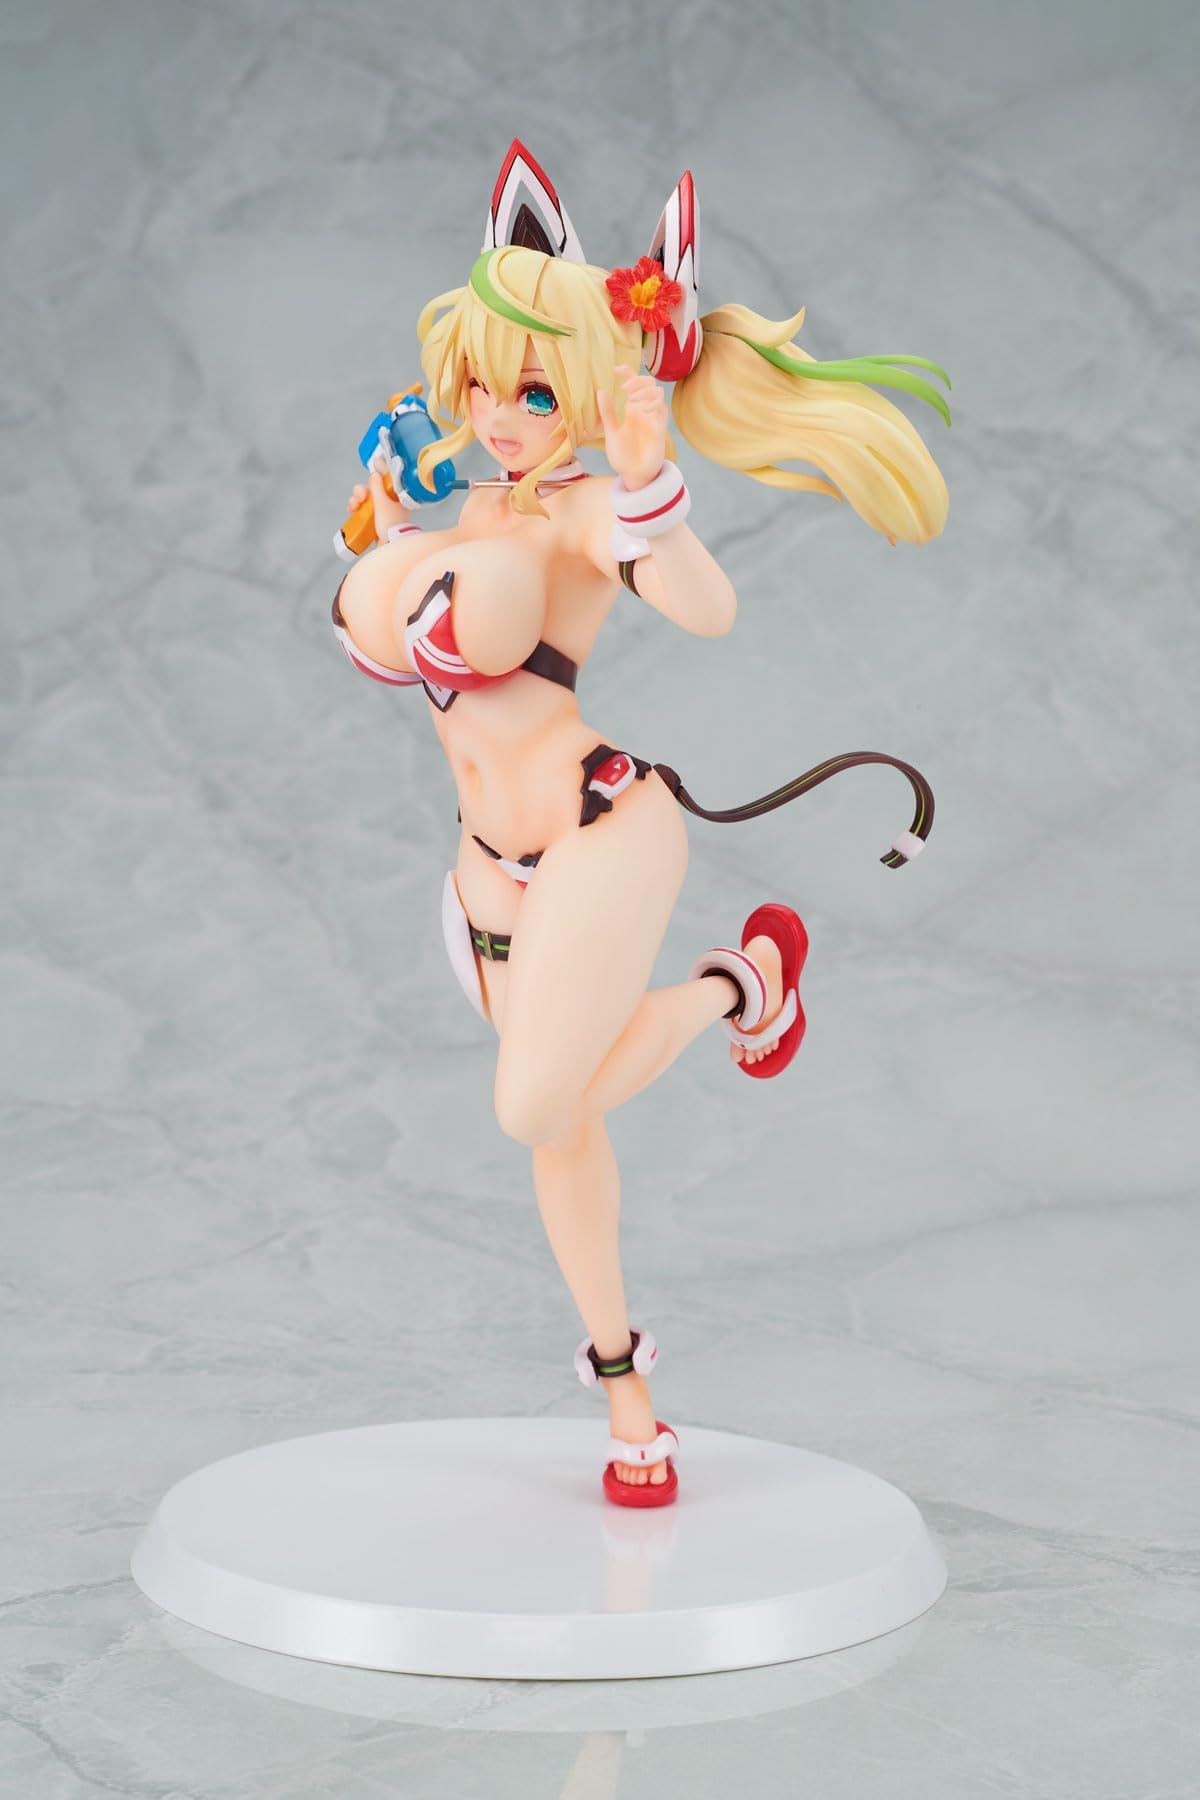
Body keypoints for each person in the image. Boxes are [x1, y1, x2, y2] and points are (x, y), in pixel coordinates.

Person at [332, 142, 949, 1507]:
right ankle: (631, 1410)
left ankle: (741, 983)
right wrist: (381, 524)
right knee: (562, 1132)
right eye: (485, 385)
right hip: (488, 868)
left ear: (590, 390)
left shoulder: (582, 513)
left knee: (533, 1101)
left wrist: (648, 480)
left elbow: (705, 606)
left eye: (535, 390)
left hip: (603, 831)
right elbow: (389, 591)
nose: (500, 416)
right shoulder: (473, 496)